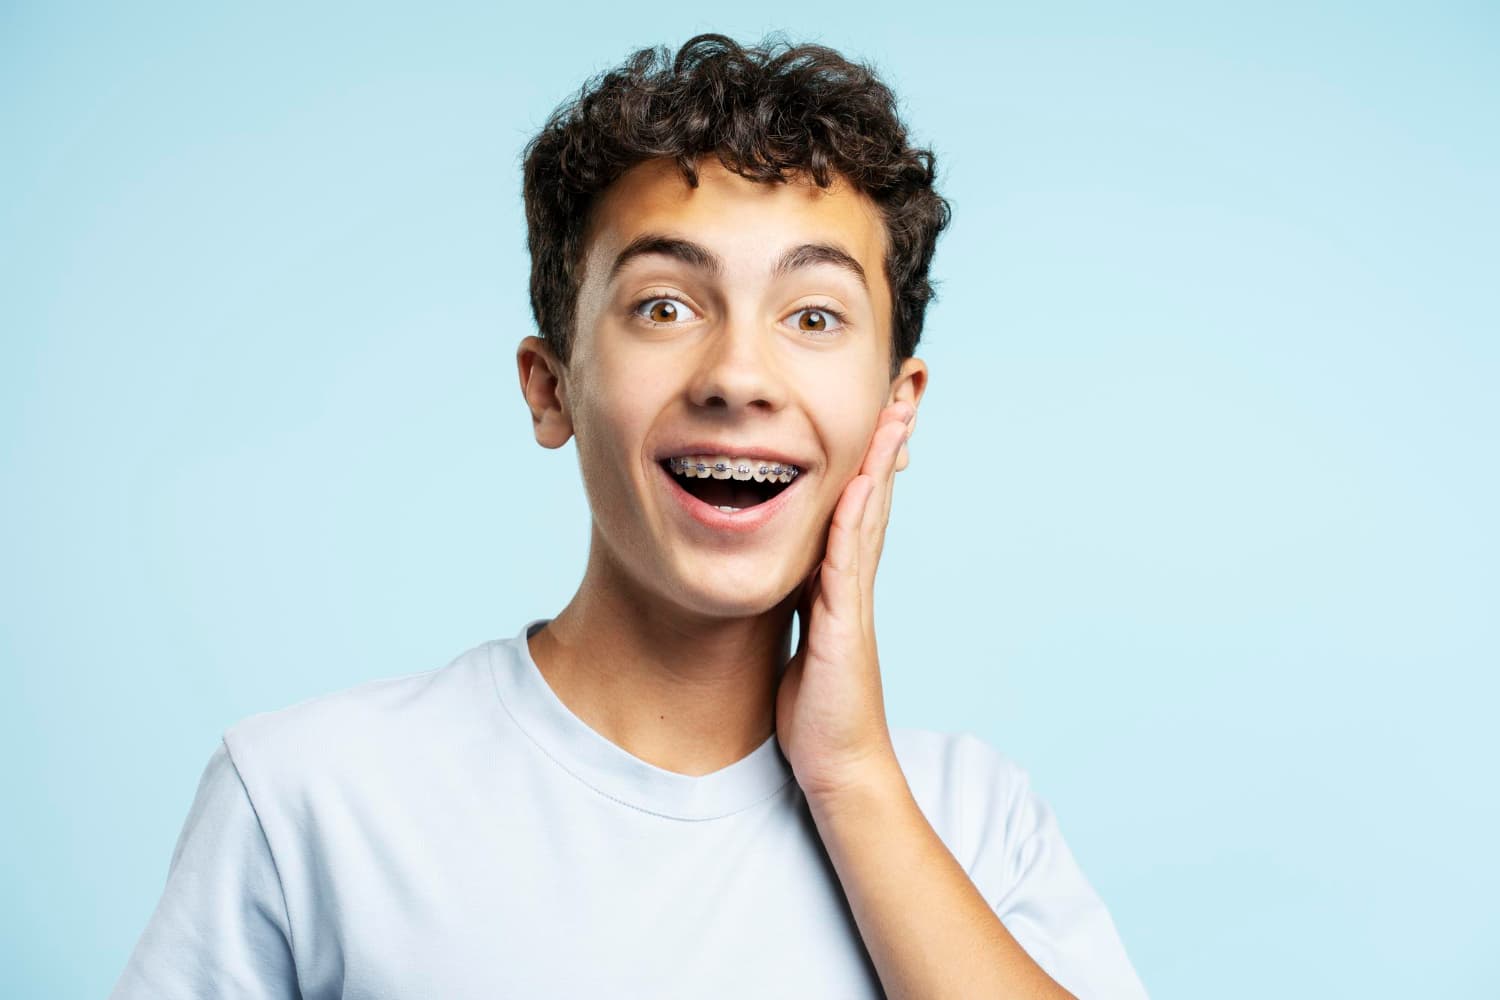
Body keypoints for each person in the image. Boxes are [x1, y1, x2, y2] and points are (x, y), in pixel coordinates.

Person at [111, 32, 1149, 999]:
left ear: (895, 405)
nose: (739, 374)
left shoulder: (975, 820)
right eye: (665, 305)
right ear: (550, 385)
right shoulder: (309, 801)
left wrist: (852, 777)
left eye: (815, 315)